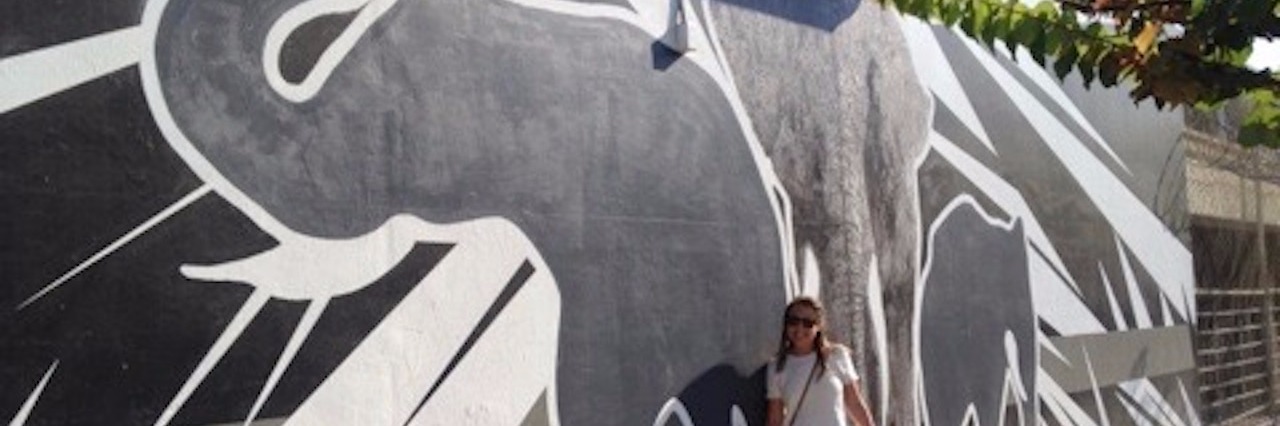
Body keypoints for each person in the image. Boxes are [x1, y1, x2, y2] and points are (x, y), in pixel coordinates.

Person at [767, 296, 876, 426]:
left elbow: (855, 403)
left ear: (818, 327)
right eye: (793, 321)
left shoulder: (836, 356)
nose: (799, 328)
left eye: (807, 323)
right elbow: (775, 419)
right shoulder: (777, 366)